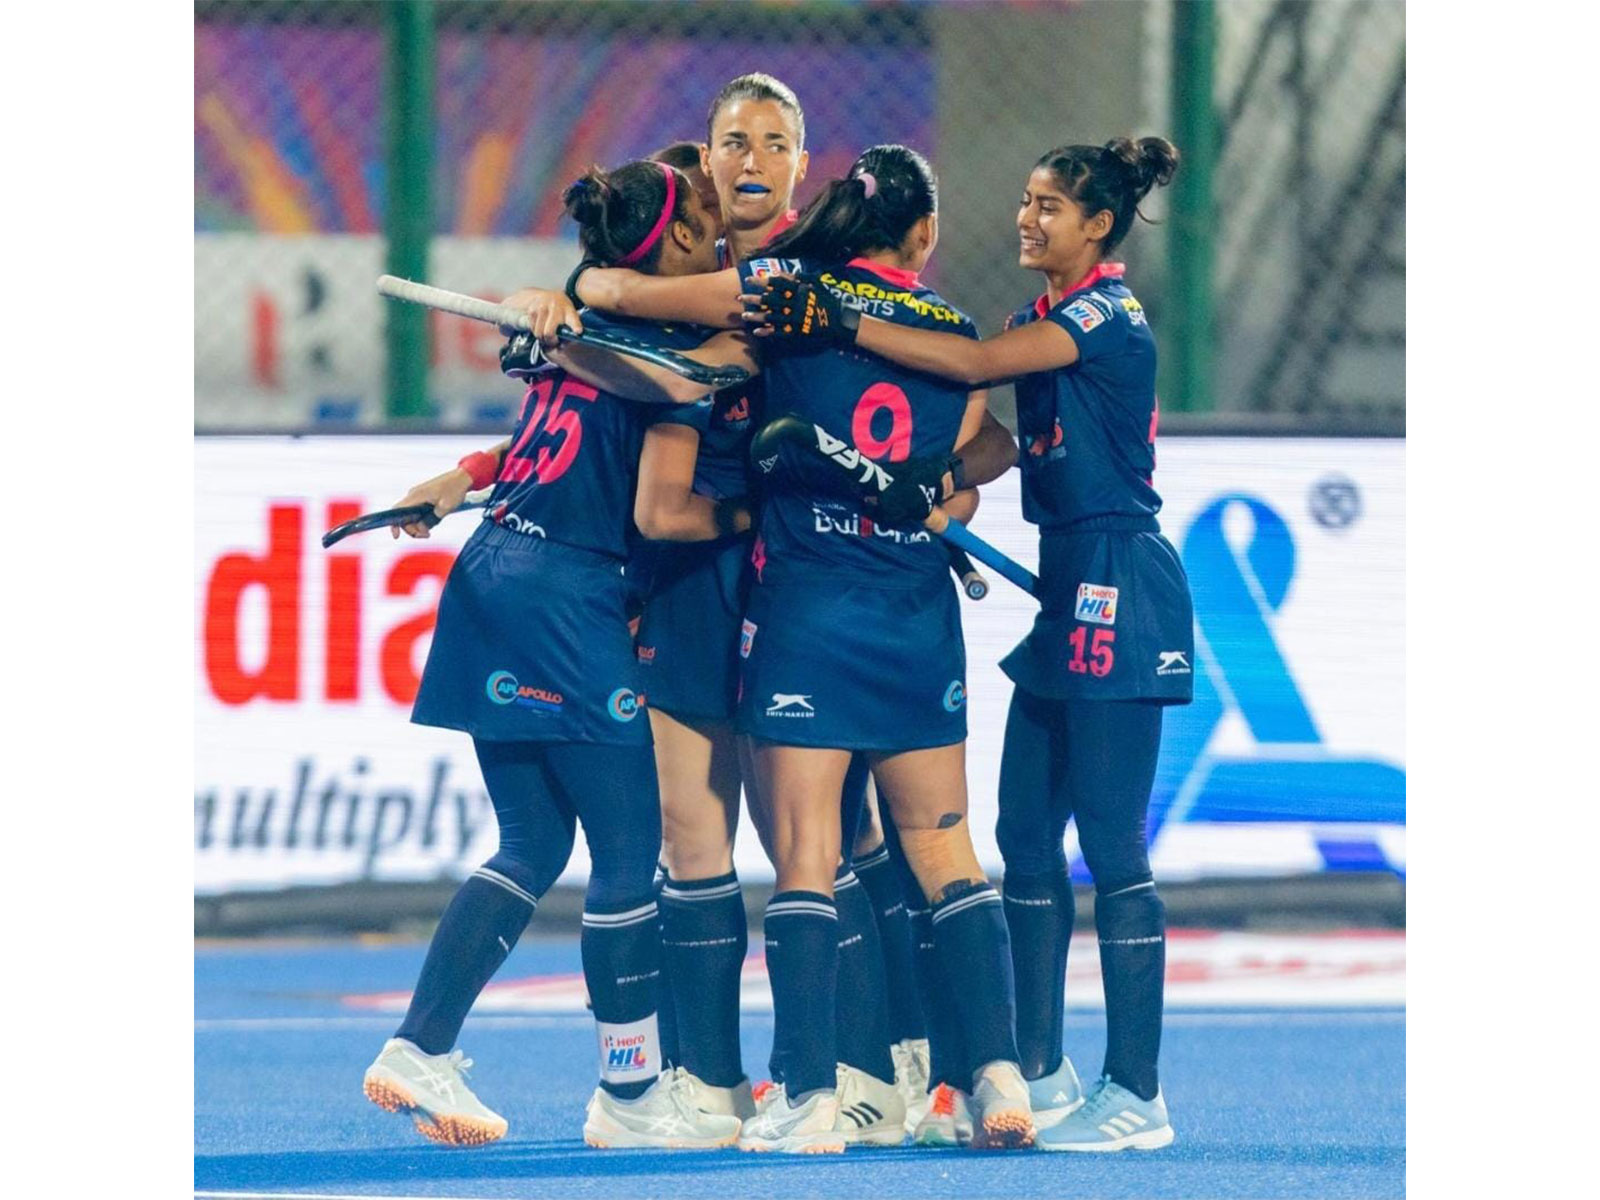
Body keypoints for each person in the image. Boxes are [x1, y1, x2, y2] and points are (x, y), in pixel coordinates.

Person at [531, 144, 1037, 1154]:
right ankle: (994, 1078)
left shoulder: (785, 295)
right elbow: (991, 443)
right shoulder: (955, 331)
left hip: (809, 614)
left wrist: (571, 316)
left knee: (805, 855)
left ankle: (807, 1099)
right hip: (916, 618)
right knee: (945, 849)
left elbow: (677, 354)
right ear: (924, 236)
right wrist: (943, 487)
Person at [742, 135, 1195, 1152]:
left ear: (1099, 228)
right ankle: (1031, 1067)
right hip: (1066, 583)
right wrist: (948, 483)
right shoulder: (1041, 312)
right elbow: (990, 434)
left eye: (1049, 207)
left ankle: (1138, 1093)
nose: (1028, 219)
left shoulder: (1098, 316)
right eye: (1024, 200)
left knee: (1114, 852)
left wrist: (840, 314)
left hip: (1121, 581)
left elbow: (977, 367)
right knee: (1023, 839)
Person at [359, 158, 746, 1151]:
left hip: (491, 581)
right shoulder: (652, 351)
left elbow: (551, 436)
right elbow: (659, 507)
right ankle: (630, 1097)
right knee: (625, 853)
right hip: (565, 601)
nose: (719, 236)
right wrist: (756, 508)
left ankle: (420, 1047)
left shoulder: (572, 331)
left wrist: (462, 472)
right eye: (703, 222)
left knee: (532, 846)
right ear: (665, 244)